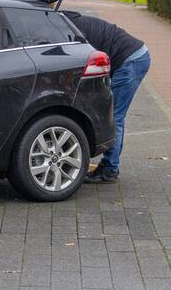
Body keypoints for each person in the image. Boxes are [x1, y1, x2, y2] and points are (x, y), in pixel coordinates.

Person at [62, 11, 151, 183]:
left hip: (131, 60)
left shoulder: (74, 31)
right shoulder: (72, 21)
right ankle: (109, 164)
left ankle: (110, 169)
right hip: (132, 55)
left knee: (114, 116)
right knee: (110, 113)